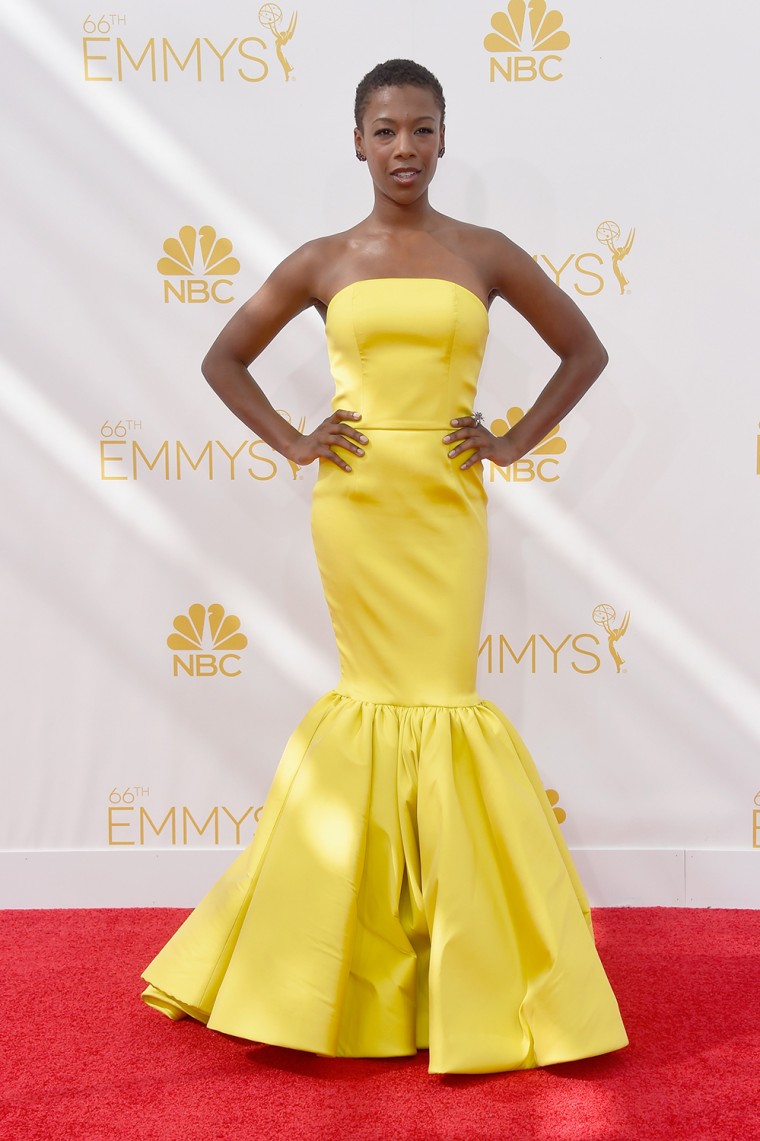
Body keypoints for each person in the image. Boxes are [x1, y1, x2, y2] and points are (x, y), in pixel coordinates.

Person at [142, 58, 628, 1075]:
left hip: (446, 503)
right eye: (384, 131)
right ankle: (341, 970)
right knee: (370, 700)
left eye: (420, 129)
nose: (403, 148)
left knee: (445, 701)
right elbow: (221, 357)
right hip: (358, 506)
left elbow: (582, 351)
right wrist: (291, 438)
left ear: (445, 140)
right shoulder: (323, 260)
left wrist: (509, 440)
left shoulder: (485, 251)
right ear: (355, 143)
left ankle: (465, 971)